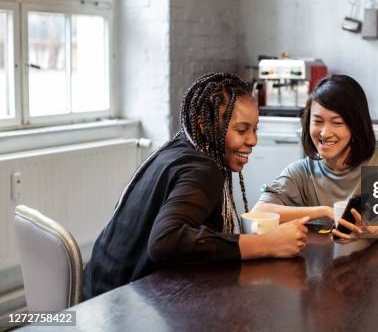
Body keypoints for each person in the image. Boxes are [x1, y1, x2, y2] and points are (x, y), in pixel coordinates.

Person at [83, 73, 309, 299]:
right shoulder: (202, 170)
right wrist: (267, 243)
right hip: (118, 307)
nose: (253, 140)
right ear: (203, 126)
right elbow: (165, 241)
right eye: (242, 130)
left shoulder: (177, 149)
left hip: (97, 288)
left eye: (255, 129)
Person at [252, 74, 378, 244]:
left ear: (355, 125)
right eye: (318, 121)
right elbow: (258, 213)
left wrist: (366, 231)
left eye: (337, 123)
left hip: (377, 265)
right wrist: (324, 211)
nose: (325, 133)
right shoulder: (301, 172)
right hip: (321, 267)